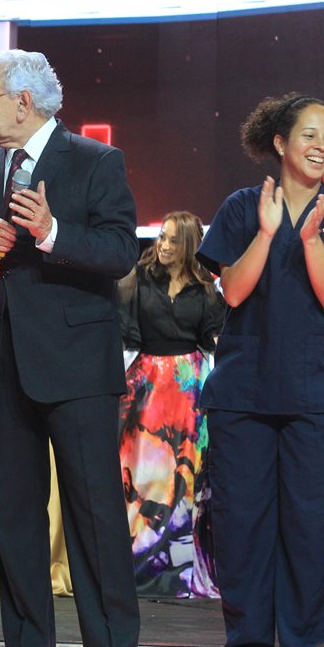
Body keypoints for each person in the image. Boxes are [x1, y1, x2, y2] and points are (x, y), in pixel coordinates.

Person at [0, 49, 141, 647]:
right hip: (0, 362)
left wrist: (53, 233)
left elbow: (121, 250)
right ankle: (27, 646)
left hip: (76, 365)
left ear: (23, 101)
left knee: (93, 508)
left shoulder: (95, 161)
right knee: (13, 512)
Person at [196, 93, 324, 647]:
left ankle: (301, 645)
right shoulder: (242, 207)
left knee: (311, 522)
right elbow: (235, 292)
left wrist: (304, 240)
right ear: (279, 143)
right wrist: (268, 232)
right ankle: (243, 645)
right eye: (310, 135)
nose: (323, 146)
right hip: (244, 392)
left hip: (318, 395)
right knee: (242, 522)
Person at [117, 210, 223, 599]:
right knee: (142, 479)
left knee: (187, 479)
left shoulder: (207, 289)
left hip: (190, 388)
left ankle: (183, 573)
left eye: (173, 239)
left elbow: (214, 337)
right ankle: (135, 572)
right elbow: (124, 332)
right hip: (146, 386)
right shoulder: (138, 279)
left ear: (190, 245)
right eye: (161, 237)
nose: (162, 245)